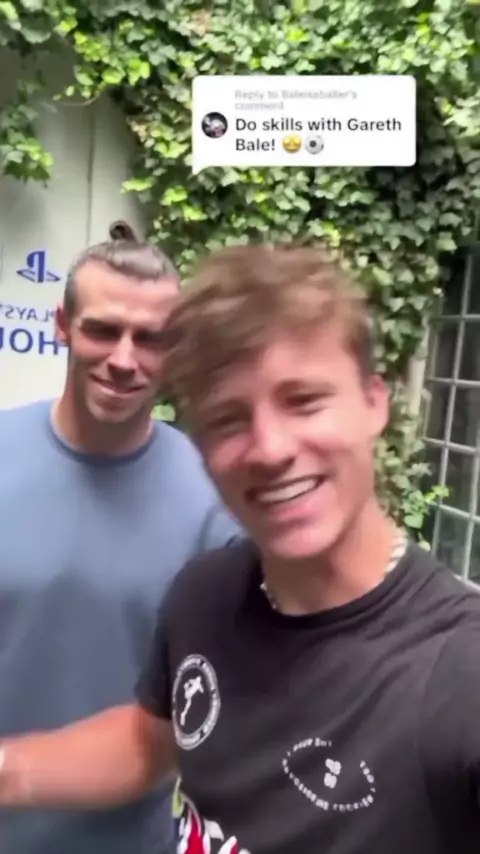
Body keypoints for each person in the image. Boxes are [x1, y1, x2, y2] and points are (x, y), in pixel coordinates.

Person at [1, 242, 480, 854]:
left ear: (373, 403)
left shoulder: (457, 673)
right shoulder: (205, 593)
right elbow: (151, 741)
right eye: (229, 419)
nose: (270, 449)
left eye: (303, 401)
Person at [0, 224, 240, 854]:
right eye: (103, 330)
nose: (125, 359)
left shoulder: (217, 499)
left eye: (150, 338)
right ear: (62, 326)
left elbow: (208, 709)